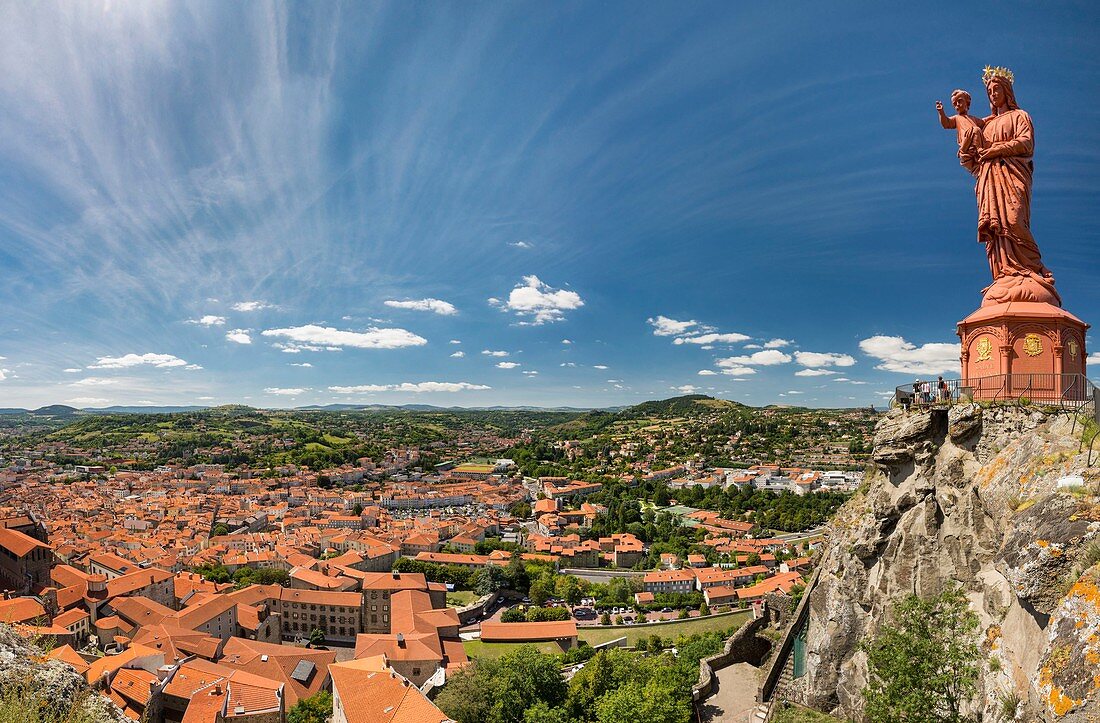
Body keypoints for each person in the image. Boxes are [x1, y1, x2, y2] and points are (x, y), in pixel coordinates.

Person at [936, 90, 985, 175]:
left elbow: (984, 122)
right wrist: (941, 112)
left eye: (959, 101)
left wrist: (995, 115)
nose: (957, 105)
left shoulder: (973, 118)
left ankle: (979, 152)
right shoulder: (956, 118)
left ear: (967, 103)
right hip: (966, 142)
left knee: (977, 130)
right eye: (954, 104)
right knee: (976, 130)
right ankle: (980, 150)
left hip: (974, 142)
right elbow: (946, 123)